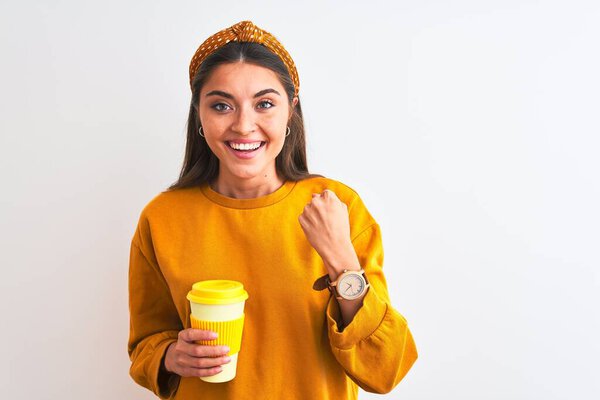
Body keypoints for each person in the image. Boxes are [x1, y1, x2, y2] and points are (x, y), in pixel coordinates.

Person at [128, 20, 417, 400]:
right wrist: (170, 356)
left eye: (264, 104)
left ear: (290, 111)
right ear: (199, 114)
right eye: (221, 105)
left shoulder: (337, 206)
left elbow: (387, 369)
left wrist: (342, 261)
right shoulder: (162, 217)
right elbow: (145, 345)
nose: (244, 125)